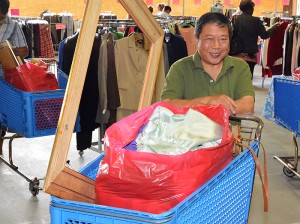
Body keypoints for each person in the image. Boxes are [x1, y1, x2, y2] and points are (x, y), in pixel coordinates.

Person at [160, 12, 255, 116]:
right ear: (197, 39)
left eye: (223, 39)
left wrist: (203, 107)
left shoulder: (240, 66)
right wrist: (208, 102)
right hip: (189, 132)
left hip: (228, 132)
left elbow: (247, 106)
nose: (216, 45)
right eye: (209, 39)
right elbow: (166, 105)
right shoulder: (179, 68)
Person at [0, 0, 28, 141]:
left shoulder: (13, 26)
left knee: (2, 114)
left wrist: (7, 51)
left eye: (1, 17)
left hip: (5, 80)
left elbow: (24, 51)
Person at [230, 0, 279, 79]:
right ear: (249, 9)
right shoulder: (256, 21)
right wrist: (273, 28)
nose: (253, 10)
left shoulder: (236, 19)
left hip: (237, 53)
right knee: (248, 77)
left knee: (236, 77)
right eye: (252, 8)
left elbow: (232, 35)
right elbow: (264, 35)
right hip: (250, 53)